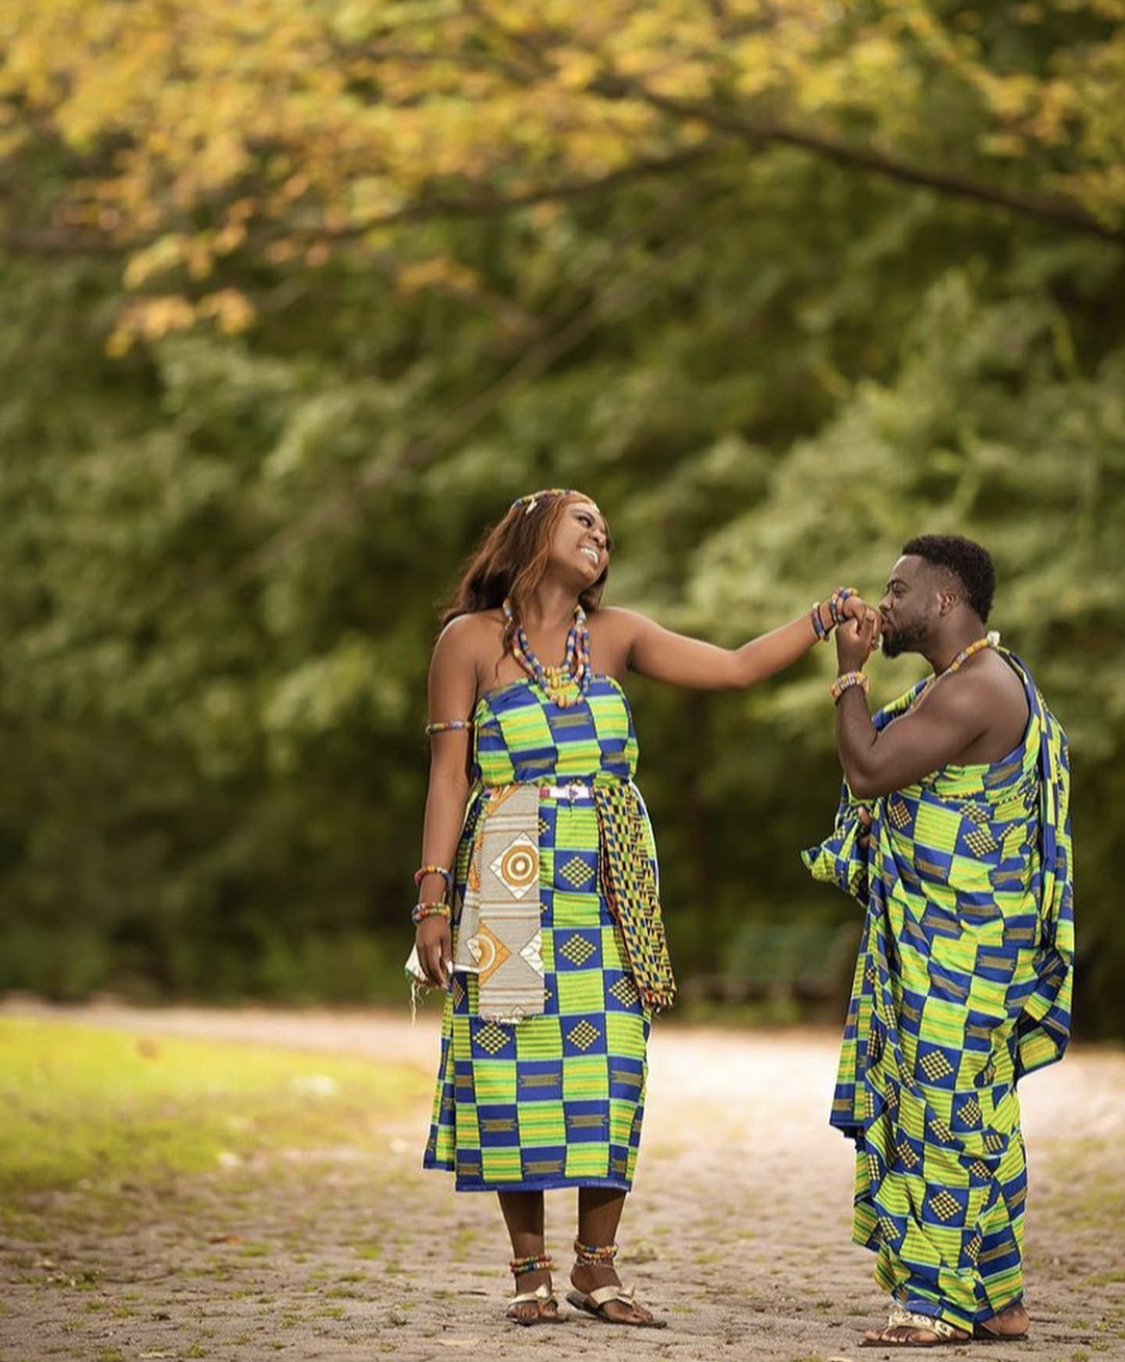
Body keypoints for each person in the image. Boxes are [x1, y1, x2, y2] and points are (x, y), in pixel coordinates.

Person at [412, 487, 875, 1327]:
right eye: (581, 518)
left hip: (607, 880)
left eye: (605, 528)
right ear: (531, 531)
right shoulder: (467, 641)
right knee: (514, 1070)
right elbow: (450, 777)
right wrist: (432, 897)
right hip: (508, 872)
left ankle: (597, 1268)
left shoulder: (617, 636)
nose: (599, 533)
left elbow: (733, 667)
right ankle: (529, 1273)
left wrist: (821, 624)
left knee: (609, 1067)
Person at [803, 534, 1074, 1348]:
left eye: (897, 590)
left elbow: (869, 771)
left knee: (941, 1115)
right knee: (975, 1117)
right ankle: (995, 1299)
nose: (882, 605)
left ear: (945, 601)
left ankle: (933, 1302)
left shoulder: (978, 687)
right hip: (946, 943)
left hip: (963, 947)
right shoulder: (955, 684)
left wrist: (848, 674)